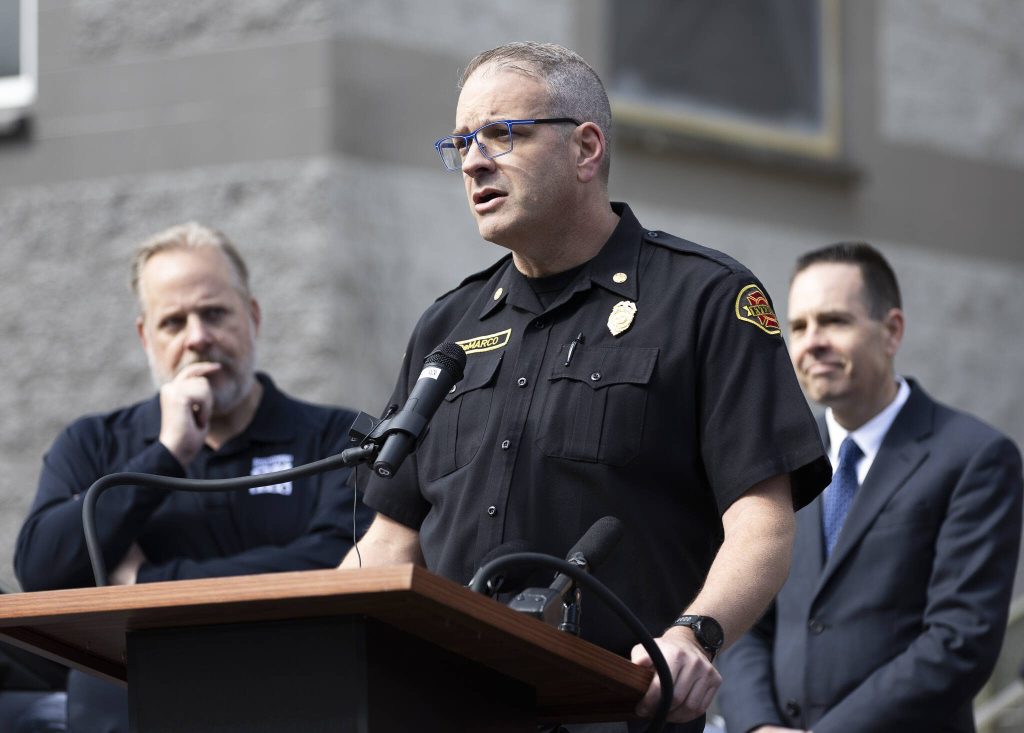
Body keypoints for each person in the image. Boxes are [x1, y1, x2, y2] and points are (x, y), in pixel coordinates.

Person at [339, 42, 831, 732]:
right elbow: (391, 541)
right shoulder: (448, 327)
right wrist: (311, 639)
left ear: (586, 148)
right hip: (444, 706)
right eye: (460, 143)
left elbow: (763, 523)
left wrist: (694, 634)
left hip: (616, 707)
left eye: (502, 134)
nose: (474, 160)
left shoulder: (705, 299)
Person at [15, 222, 373, 732]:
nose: (198, 338)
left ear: (252, 316)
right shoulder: (95, 443)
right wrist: (166, 454)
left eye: (214, 314)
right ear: (146, 337)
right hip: (128, 710)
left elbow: (342, 563)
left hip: (298, 707)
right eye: (173, 322)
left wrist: (143, 585)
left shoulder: (338, 436)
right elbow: (42, 572)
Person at [716, 242, 1024, 733]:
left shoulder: (975, 458)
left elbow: (959, 641)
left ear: (892, 330)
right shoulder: (777, 463)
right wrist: (757, 725)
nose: (812, 341)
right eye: (798, 326)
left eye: (834, 321)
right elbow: (746, 616)